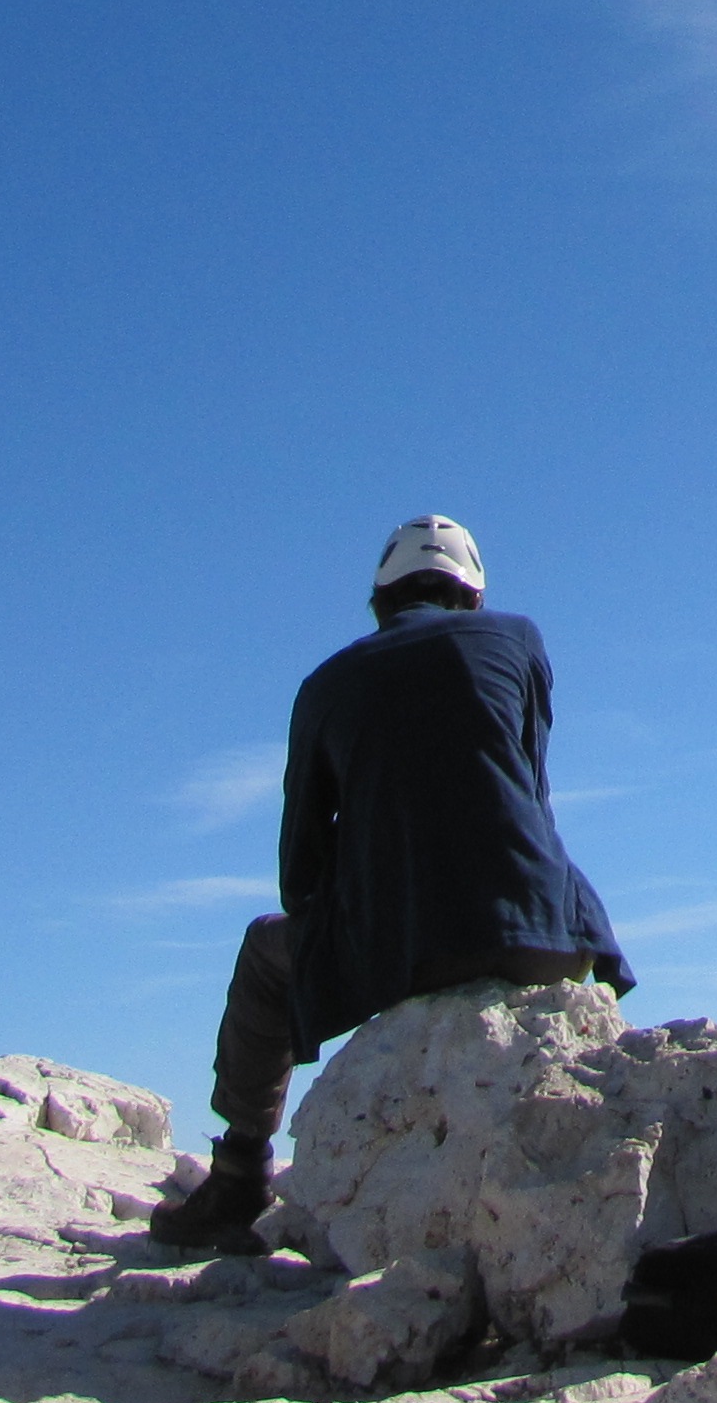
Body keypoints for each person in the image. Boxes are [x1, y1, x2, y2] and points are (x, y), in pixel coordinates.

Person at [147, 516, 633, 1254]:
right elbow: (530, 791)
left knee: (262, 951)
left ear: (380, 603)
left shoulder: (325, 685)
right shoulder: (520, 642)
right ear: (473, 600)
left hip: (401, 952)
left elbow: (298, 873)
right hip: (548, 940)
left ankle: (240, 1172)